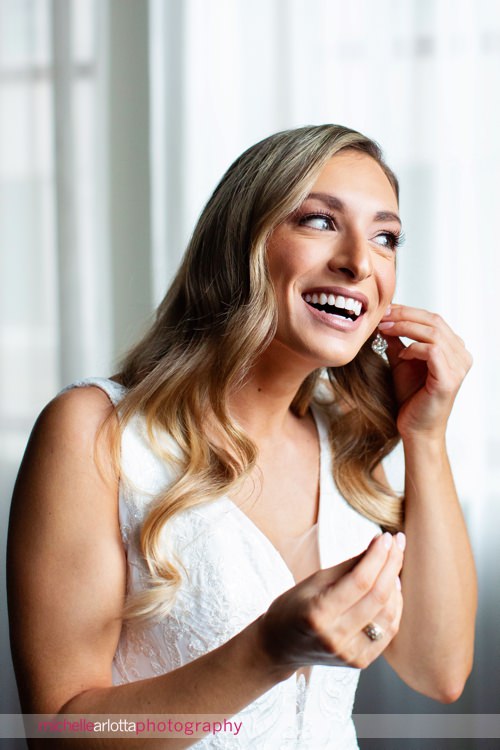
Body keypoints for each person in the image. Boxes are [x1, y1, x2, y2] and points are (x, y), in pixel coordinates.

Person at [7, 124, 476, 749]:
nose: (360, 263)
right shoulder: (94, 431)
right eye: (319, 221)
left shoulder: (344, 446)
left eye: (386, 238)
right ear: (241, 243)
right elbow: (60, 732)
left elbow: (438, 671)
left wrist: (427, 436)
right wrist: (266, 650)